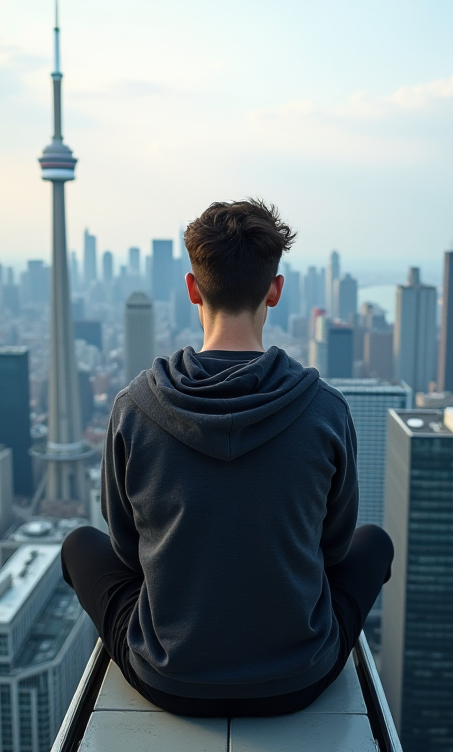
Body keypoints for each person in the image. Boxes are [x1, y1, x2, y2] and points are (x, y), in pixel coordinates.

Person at [61, 198, 393, 717]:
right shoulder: (325, 410)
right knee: (374, 543)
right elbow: (332, 550)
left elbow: (128, 553)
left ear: (193, 289)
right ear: (276, 291)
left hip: (169, 678)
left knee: (81, 543)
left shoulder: (135, 408)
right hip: (297, 679)